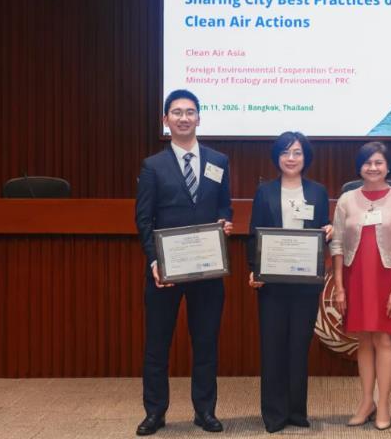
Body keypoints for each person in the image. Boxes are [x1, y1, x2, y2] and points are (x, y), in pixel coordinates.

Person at [134, 89, 233, 436]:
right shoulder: (152, 166)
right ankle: (155, 413)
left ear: (199, 118)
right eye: (176, 112)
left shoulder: (219, 161)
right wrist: (153, 261)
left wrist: (225, 222)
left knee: (205, 343)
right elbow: (143, 219)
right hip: (166, 271)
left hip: (207, 269)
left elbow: (224, 206)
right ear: (166, 120)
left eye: (190, 112)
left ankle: (205, 411)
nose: (184, 118)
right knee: (157, 344)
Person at [246, 132, 333, 433]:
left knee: (299, 346)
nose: (291, 158)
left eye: (297, 152)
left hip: (305, 282)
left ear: (305, 157)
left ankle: (296, 411)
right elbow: (254, 233)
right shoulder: (265, 192)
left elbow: (322, 231)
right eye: (285, 152)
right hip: (272, 283)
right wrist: (254, 270)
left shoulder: (318, 192)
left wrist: (329, 230)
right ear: (277, 157)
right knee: (272, 347)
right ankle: (274, 413)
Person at [330, 141, 391, 431]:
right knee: (363, 340)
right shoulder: (346, 200)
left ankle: (384, 403)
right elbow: (337, 244)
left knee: (384, 340)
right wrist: (339, 286)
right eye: (367, 162)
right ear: (360, 167)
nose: (373, 167)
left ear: (388, 167)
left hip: (388, 279)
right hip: (355, 277)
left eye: (379, 162)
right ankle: (366, 402)